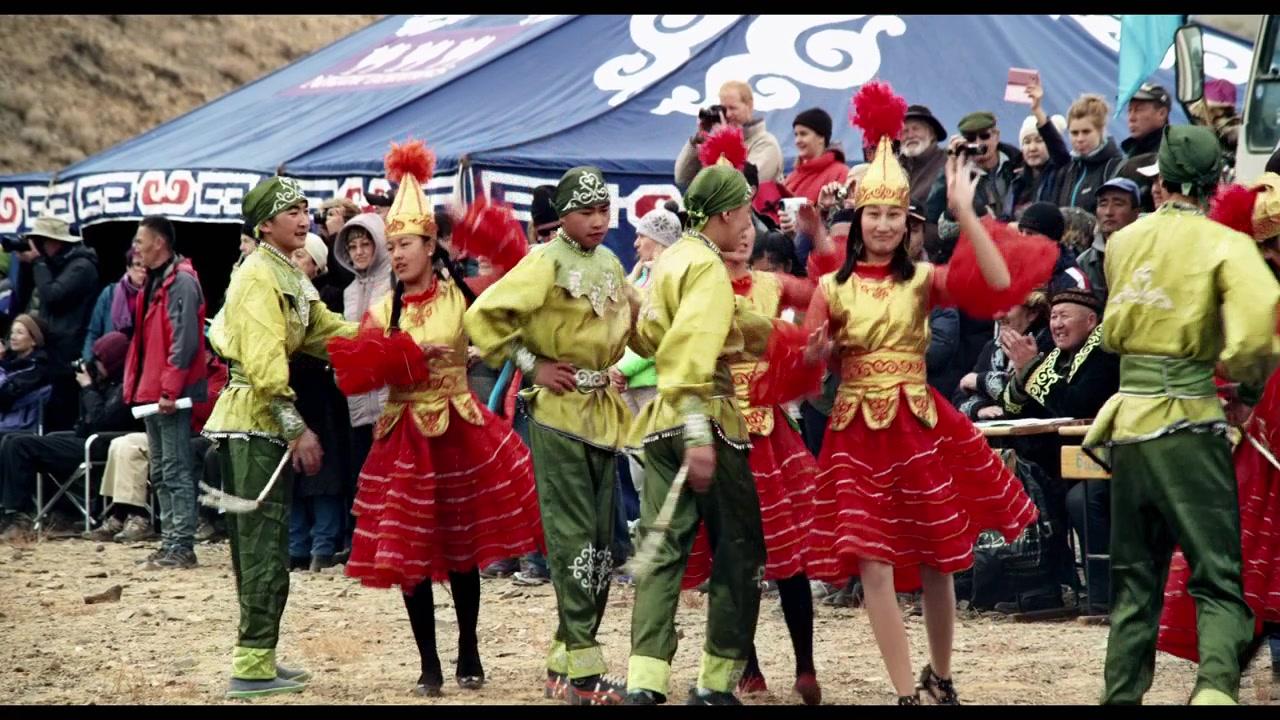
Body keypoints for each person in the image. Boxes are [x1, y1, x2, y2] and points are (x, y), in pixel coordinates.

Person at [802, 81, 1050, 705]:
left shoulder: (922, 282)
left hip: (919, 424)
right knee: (873, 561)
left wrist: (966, 214)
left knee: (939, 558)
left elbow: (996, 283)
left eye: (895, 216)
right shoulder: (832, 288)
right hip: (857, 429)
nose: (884, 225)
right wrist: (816, 357)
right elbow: (811, 363)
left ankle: (940, 676)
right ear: (857, 219)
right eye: (874, 214)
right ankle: (904, 690)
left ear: (909, 224)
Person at [327, 139, 542, 696]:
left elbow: (510, 310)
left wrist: (511, 362)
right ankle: (429, 661)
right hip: (402, 437)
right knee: (410, 554)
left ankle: (468, 644)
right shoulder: (379, 310)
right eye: (392, 245)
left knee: (462, 546)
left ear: (431, 246)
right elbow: (359, 369)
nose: (396, 254)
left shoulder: (462, 297)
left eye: (406, 244)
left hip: (457, 431)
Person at [1082, 125, 1280, 705]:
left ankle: (1120, 698)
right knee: (1218, 578)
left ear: (1159, 181)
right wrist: (1245, 387)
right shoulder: (1228, 245)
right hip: (1190, 422)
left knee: (1133, 583)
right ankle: (1215, 691)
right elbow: (1253, 335)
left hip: (1128, 425)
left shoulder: (1122, 243)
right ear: (1218, 182)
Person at [621, 162, 809, 706]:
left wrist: (789, 342)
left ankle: (646, 679)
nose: (748, 221)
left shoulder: (672, 258)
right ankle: (716, 680)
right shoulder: (705, 265)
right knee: (739, 548)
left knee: (662, 553)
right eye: (745, 210)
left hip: (657, 422)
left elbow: (714, 327)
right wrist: (699, 429)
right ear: (726, 214)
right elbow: (695, 346)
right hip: (706, 419)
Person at [464, 166, 636, 705]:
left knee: (602, 544)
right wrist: (530, 364)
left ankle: (566, 661)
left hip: (603, 414)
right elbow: (483, 317)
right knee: (572, 541)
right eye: (587, 212)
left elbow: (640, 321)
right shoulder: (543, 262)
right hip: (557, 414)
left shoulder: (610, 262)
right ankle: (583, 677)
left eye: (604, 210)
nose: (598, 221)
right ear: (562, 215)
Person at [202, 175, 357, 699]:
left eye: (305, 208)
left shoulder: (286, 272)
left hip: (263, 419)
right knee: (263, 547)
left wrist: (385, 342)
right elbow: (267, 362)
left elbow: (323, 330)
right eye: (290, 210)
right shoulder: (256, 277)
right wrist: (297, 428)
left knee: (265, 544)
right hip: (255, 419)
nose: (303, 217)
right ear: (265, 224)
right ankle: (250, 667)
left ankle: (259, 654)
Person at [673, 207, 834, 705]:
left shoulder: (772, 285)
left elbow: (832, 290)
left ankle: (805, 666)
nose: (743, 239)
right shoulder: (699, 284)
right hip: (720, 427)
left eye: (749, 232)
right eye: (735, 230)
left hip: (768, 432)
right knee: (732, 553)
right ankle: (749, 665)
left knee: (790, 556)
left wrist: (818, 237)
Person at [1156, 169, 1280, 679]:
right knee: (1249, 568)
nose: (1270, 256)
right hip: (1251, 458)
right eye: (1261, 247)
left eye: (1275, 244)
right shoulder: (1235, 298)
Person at [122, 216, 209, 570]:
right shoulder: (156, 281)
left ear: (159, 242)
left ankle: (181, 546)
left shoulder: (182, 282)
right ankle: (170, 541)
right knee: (159, 471)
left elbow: (185, 339)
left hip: (169, 394)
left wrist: (170, 389)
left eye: (140, 240)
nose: (136, 247)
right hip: (153, 391)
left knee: (174, 469)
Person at [0, 331, 139, 540]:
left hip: (101, 445)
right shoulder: (105, 382)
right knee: (9, 440)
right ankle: (11, 512)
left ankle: (19, 516)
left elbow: (102, 420)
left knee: (20, 445)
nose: (95, 365)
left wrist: (88, 387)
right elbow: (88, 421)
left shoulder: (125, 387)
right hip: (85, 439)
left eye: (100, 359)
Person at [286, 242, 352, 573]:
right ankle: (296, 545)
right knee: (293, 474)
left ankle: (323, 544)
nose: (294, 261)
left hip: (323, 396)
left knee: (322, 474)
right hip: (291, 393)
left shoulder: (329, 297)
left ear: (318, 264)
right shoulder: (281, 297)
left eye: (302, 255)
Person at [331, 211, 391, 558]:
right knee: (363, 470)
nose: (359, 251)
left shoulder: (393, 281)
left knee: (389, 470)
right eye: (352, 246)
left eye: (365, 243)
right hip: (357, 395)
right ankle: (366, 541)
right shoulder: (350, 291)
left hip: (388, 392)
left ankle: (387, 541)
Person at [12, 214, 99, 431]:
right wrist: (27, 266)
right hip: (50, 354)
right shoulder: (52, 265)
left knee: (63, 417)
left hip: (68, 356)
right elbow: (23, 296)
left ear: (54, 241)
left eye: (39, 241)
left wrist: (38, 262)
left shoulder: (81, 266)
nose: (36, 247)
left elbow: (53, 295)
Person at [925, 111, 1022, 250]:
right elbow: (932, 212)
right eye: (971, 139)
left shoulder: (1018, 164)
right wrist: (953, 162)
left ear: (996, 136)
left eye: (984, 136)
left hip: (1016, 246)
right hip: (977, 250)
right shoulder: (959, 171)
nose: (978, 143)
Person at [953, 290, 1050, 420]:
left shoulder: (1048, 344)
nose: (997, 315)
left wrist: (980, 381)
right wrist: (979, 409)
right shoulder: (992, 347)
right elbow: (960, 395)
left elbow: (1029, 397)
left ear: (1032, 313)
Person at [674, 80, 785, 187]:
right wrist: (699, 139)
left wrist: (724, 139)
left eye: (733, 108)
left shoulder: (765, 144)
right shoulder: (715, 142)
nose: (727, 114)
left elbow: (741, 187)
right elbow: (682, 179)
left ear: (749, 106)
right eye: (724, 109)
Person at [1074, 178, 1141, 300]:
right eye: (1103, 204)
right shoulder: (1084, 262)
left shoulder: (1147, 254)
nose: (1109, 212)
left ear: (1136, 213)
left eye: (1118, 204)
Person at [1012, 79, 1071, 214]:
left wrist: (1037, 110)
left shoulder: (1061, 170)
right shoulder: (1017, 181)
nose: (1032, 148)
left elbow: (1057, 148)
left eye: (1039, 140)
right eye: (1026, 142)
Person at [1114, 83, 1172, 209]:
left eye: (1139, 110)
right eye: (1129, 110)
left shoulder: (1172, 154)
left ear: (1162, 113)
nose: (1131, 117)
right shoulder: (1128, 154)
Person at [82, 249, 146, 361]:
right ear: (128, 268)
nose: (142, 270)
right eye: (138, 264)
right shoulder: (110, 293)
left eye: (146, 266)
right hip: (108, 363)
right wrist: (89, 364)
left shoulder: (155, 297)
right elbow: (93, 332)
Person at [784, 108, 849, 206]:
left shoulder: (841, 173)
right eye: (796, 135)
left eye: (803, 134)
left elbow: (842, 213)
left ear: (821, 138)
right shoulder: (792, 176)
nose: (797, 140)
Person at [294, 233, 344, 313]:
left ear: (317, 265)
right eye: (290, 254)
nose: (292, 260)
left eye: (299, 255)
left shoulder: (330, 296)